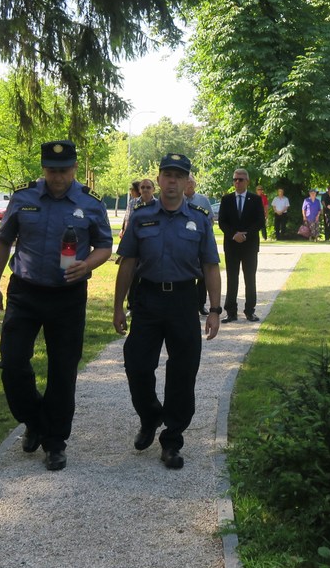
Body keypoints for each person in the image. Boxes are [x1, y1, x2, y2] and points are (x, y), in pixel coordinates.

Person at [0, 140, 114, 472]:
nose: (58, 178)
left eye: (64, 171)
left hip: (68, 296)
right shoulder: (24, 197)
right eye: (52, 171)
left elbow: (104, 245)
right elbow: (3, 240)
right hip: (24, 292)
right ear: (43, 169)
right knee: (12, 363)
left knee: (62, 370)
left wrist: (87, 265)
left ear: (74, 169)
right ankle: (34, 420)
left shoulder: (90, 203)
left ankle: (55, 442)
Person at [113, 153, 220, 470]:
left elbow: (211, 266)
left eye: (179, 176)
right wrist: (118, 306)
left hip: (185, 299)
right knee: (137, 363)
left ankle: (172, 439)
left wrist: (214, 309)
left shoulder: (200, 219)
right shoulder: (142, 217)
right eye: (167, 175)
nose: (172, 181)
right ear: (158, 179)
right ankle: (150, 415)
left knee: (183, 371)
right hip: (147, 299)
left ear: (187, 183)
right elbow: (128, 263)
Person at [219, 168, 265, 322]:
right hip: (232, 245)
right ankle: (230, 312)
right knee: (232, 278)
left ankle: (250, 310)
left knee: (250, 278)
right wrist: (234, 234)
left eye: (240, 179)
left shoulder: (255, 199)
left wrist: (245, 235)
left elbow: (260, 221)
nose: (237, 182)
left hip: (249, 245)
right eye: (235, 179)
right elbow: (222, 222)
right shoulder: (226, 199)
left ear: (247, 181)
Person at [184, 177, 214, 315]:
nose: (189, 184)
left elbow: (210, 220)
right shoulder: (178, 200)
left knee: (202, 276)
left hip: (200, 243)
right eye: (187, 182)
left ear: (195, 184)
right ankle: (187, 304)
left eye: (191, 182)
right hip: (183, 243)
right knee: (187, 275)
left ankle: (201, 304)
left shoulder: (203, 200)